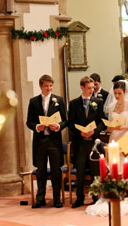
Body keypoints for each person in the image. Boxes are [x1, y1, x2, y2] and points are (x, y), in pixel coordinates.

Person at [86, 80, 128, 216]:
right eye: (115, 93)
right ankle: (113, 194)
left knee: (123, 167)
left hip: (126, 138)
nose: (117, 96)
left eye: (120, 93)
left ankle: (126, 197)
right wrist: (110, 127)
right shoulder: (112, 106)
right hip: (114, 138)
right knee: (113, 168)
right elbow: (109, 124)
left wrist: (122, 127)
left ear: (125, 93)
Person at [25, 74, 67, 208]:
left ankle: (57, 199)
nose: (48, 88)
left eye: (50, 86)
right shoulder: (33, 101)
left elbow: (65, 120)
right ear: (40, 86)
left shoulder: (58, 100)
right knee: (41, 170)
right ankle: (40, 198)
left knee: (56, 171)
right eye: (46, 86)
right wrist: (37, 126)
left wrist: (58, 126)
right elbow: (29, 121)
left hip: (54, 141)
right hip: (40, 141)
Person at [68, 76, 106, 208]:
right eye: (89, 88)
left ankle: (96, 197)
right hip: (80, 143)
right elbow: (70, 123)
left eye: (93, 87)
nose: (92, 90)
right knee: (80, 171)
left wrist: (94, 131)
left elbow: (102, 122)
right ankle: (79, 197)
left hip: (94, 143)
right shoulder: (73, 103)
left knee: (95, 171)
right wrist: (80, 132)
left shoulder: (98, 102)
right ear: (82, 87)